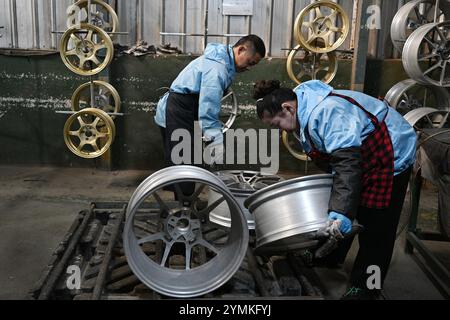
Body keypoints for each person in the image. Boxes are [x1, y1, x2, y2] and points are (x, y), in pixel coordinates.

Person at [253, 79, 417, 300]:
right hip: (361, 157)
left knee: (377, 234)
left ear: (287, 108)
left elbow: (347, 165)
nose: (278, 129)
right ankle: (330, 256)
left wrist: (341, 210)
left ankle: (366, 290)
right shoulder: (302, 109)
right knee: (341, 209)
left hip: (390, 155)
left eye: (276, 124)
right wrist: (341, 208)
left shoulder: (329, 112)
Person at [155, 35, 266, 174]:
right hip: (180, 107)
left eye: (253, 65)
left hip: (184, 107)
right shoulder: (217, 68)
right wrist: (215, 139)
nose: (249, 68)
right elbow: (208, 105)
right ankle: (184, 195)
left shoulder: (222, 61)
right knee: (185, 160)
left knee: (184, 158)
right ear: (241, 49)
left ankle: (183, 193)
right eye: (250, 62)